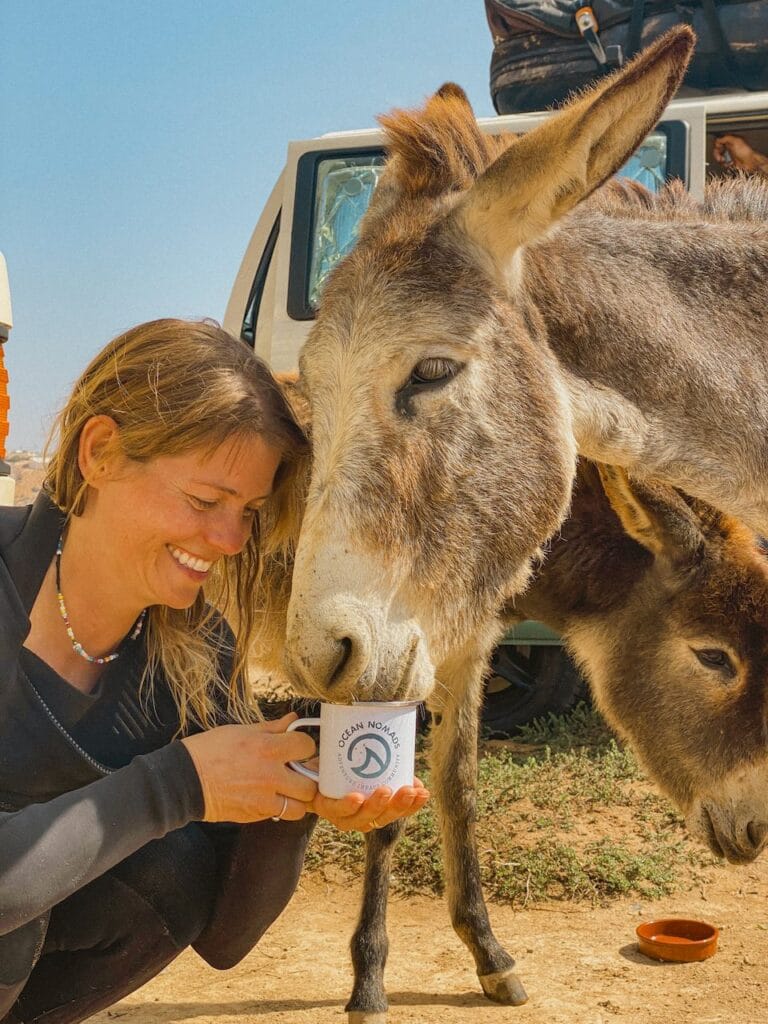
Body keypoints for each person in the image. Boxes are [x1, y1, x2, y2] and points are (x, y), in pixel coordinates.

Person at [0, 319, 429, 1023]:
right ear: (101, 452)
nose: (229, 540)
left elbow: (221, 935)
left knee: (169, 866)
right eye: (204, 502)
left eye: (248, 512)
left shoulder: (193, 653)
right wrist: (179, 783)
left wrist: (292, 802)